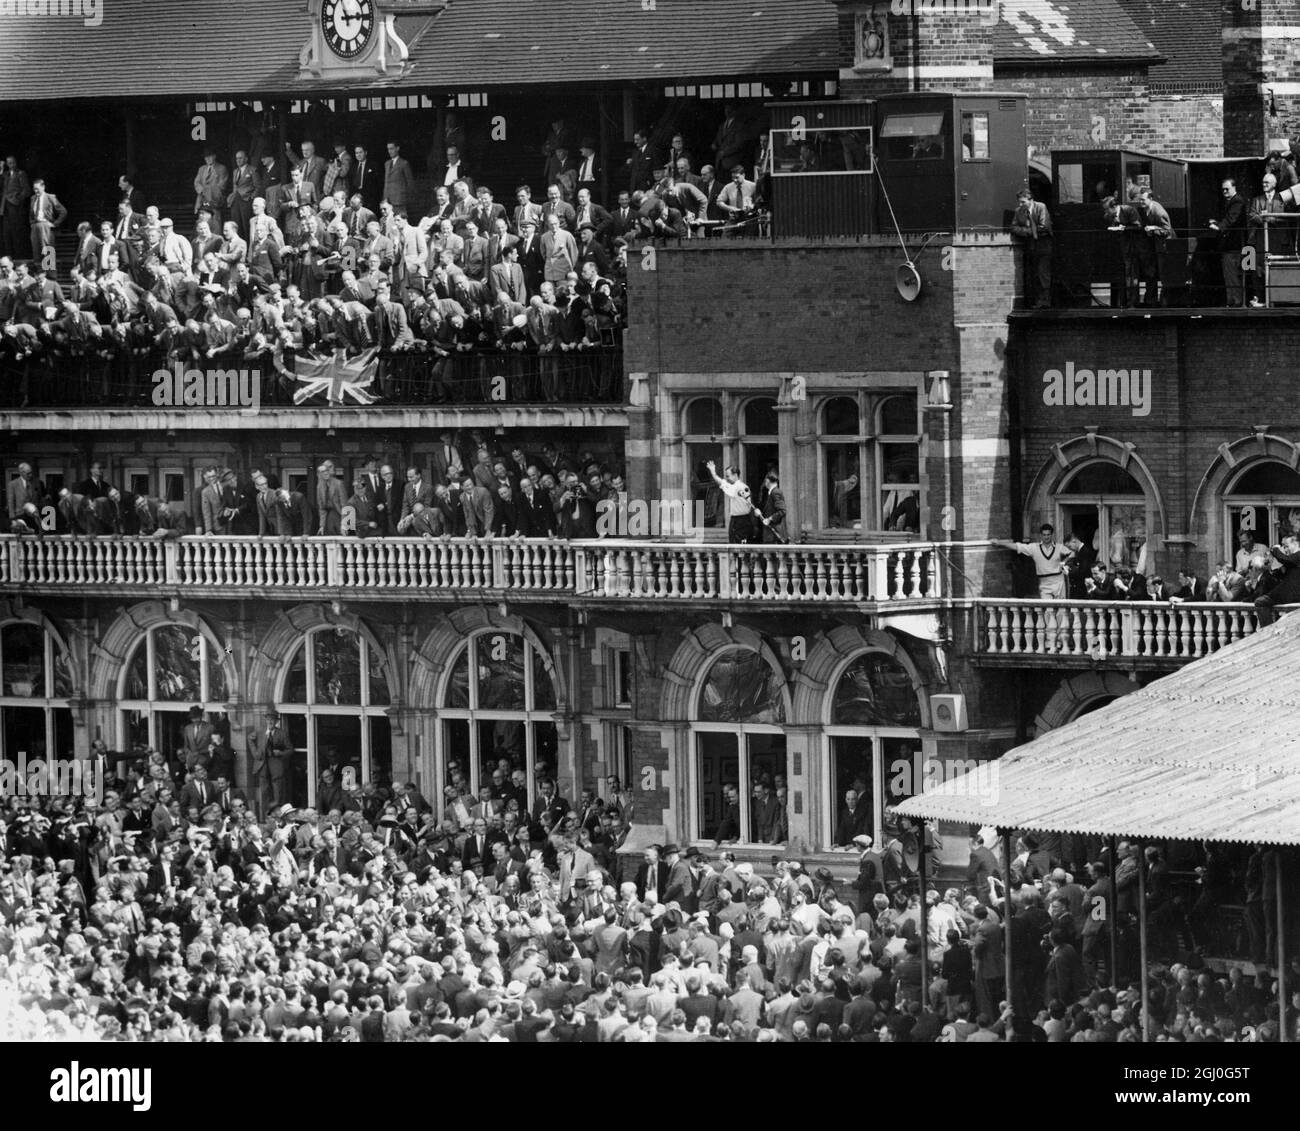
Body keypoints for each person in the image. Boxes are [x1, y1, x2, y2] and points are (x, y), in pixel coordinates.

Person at [995, 523, 1074, 599]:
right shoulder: (1034, 548)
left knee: (1061, 609)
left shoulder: (1059, 547)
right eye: (1044, 535)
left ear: (1052, 535)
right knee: (1047, 610)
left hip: (1058, 581)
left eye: (1048, 535)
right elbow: (1017, 546)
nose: (1046, 537)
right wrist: (999, 543)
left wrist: (1065, 562)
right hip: (1044, 583)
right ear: (1041, 535)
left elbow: (1072, 553)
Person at [1010, 187, 1052, 309]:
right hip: (1030, 245)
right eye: (1019, 201)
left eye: (1023, 202)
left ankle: (1045, 301)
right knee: (1032, 273)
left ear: (1031, 200)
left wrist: (1027, 231)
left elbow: (1044, 226)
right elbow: (1014, 227)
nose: (1020, 204)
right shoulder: (1019, 211)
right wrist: (1029, 231)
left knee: (1043, 273)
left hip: (1043, 244)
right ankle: (1036, 300)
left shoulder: (1041, 207)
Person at [1209, 178, 1248, 307]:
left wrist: (1220, 227)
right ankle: (1233, 301)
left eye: (1227, 189)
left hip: (1234, 245)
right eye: (1223, 189)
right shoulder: (1231, 201)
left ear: (1234, 188)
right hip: (1233, 245)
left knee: (1232, 273)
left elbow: (1232, 218)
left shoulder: (1237, 201)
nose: (1225, 191)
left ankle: (1235, 302)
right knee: (1230, 274)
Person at [705, 460, 755, 544]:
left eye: (728, 476)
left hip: (741, 521)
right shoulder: (737, 486)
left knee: (740, 547)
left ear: (735, 475)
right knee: (734, 544)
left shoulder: (739, 487)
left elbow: (723, 484)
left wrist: (713, 473)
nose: (726, 479)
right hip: (737, 520)